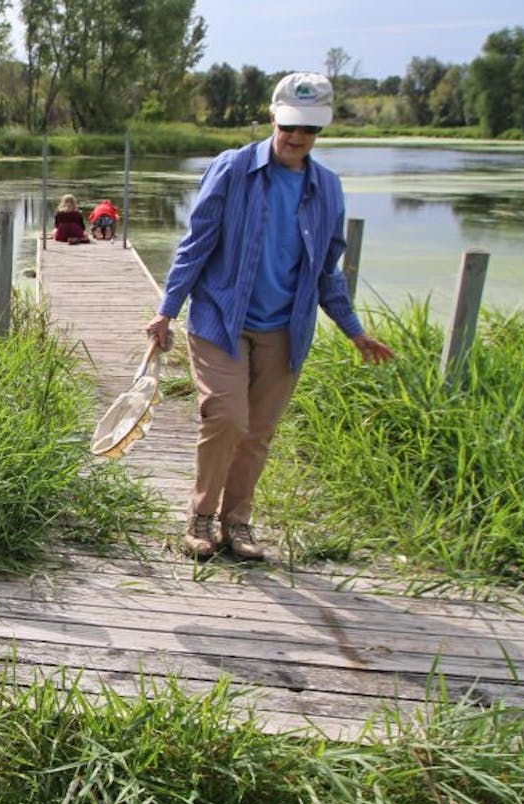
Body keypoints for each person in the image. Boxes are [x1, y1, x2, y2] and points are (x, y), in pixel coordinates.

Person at [143, 72, 394, 561]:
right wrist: (166, 311)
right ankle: (199, 515)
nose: (298, 137)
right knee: (228, 417)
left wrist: (355, 331)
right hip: (221, 319)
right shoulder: (233, 169)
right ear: (274, 116)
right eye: (291, 125)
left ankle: (236, 523)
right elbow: (196, 244)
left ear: (322, 130)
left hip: (285, 328)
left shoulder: (327, 188)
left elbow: (327, 271)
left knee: (258, 432)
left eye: (311, 129)